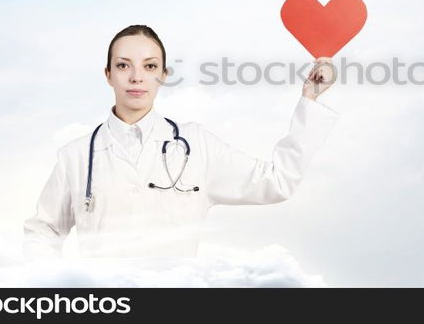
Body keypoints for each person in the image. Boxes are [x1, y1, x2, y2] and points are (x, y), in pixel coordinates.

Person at [23, 25, 338, 260]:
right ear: (108, 75)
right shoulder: (76, 157)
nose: (136, 77)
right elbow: (44, 231)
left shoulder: (196, 145)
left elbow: (277, 182)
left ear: (163, 74)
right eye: (123, 65)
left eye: (149, 66)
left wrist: (310, 100)